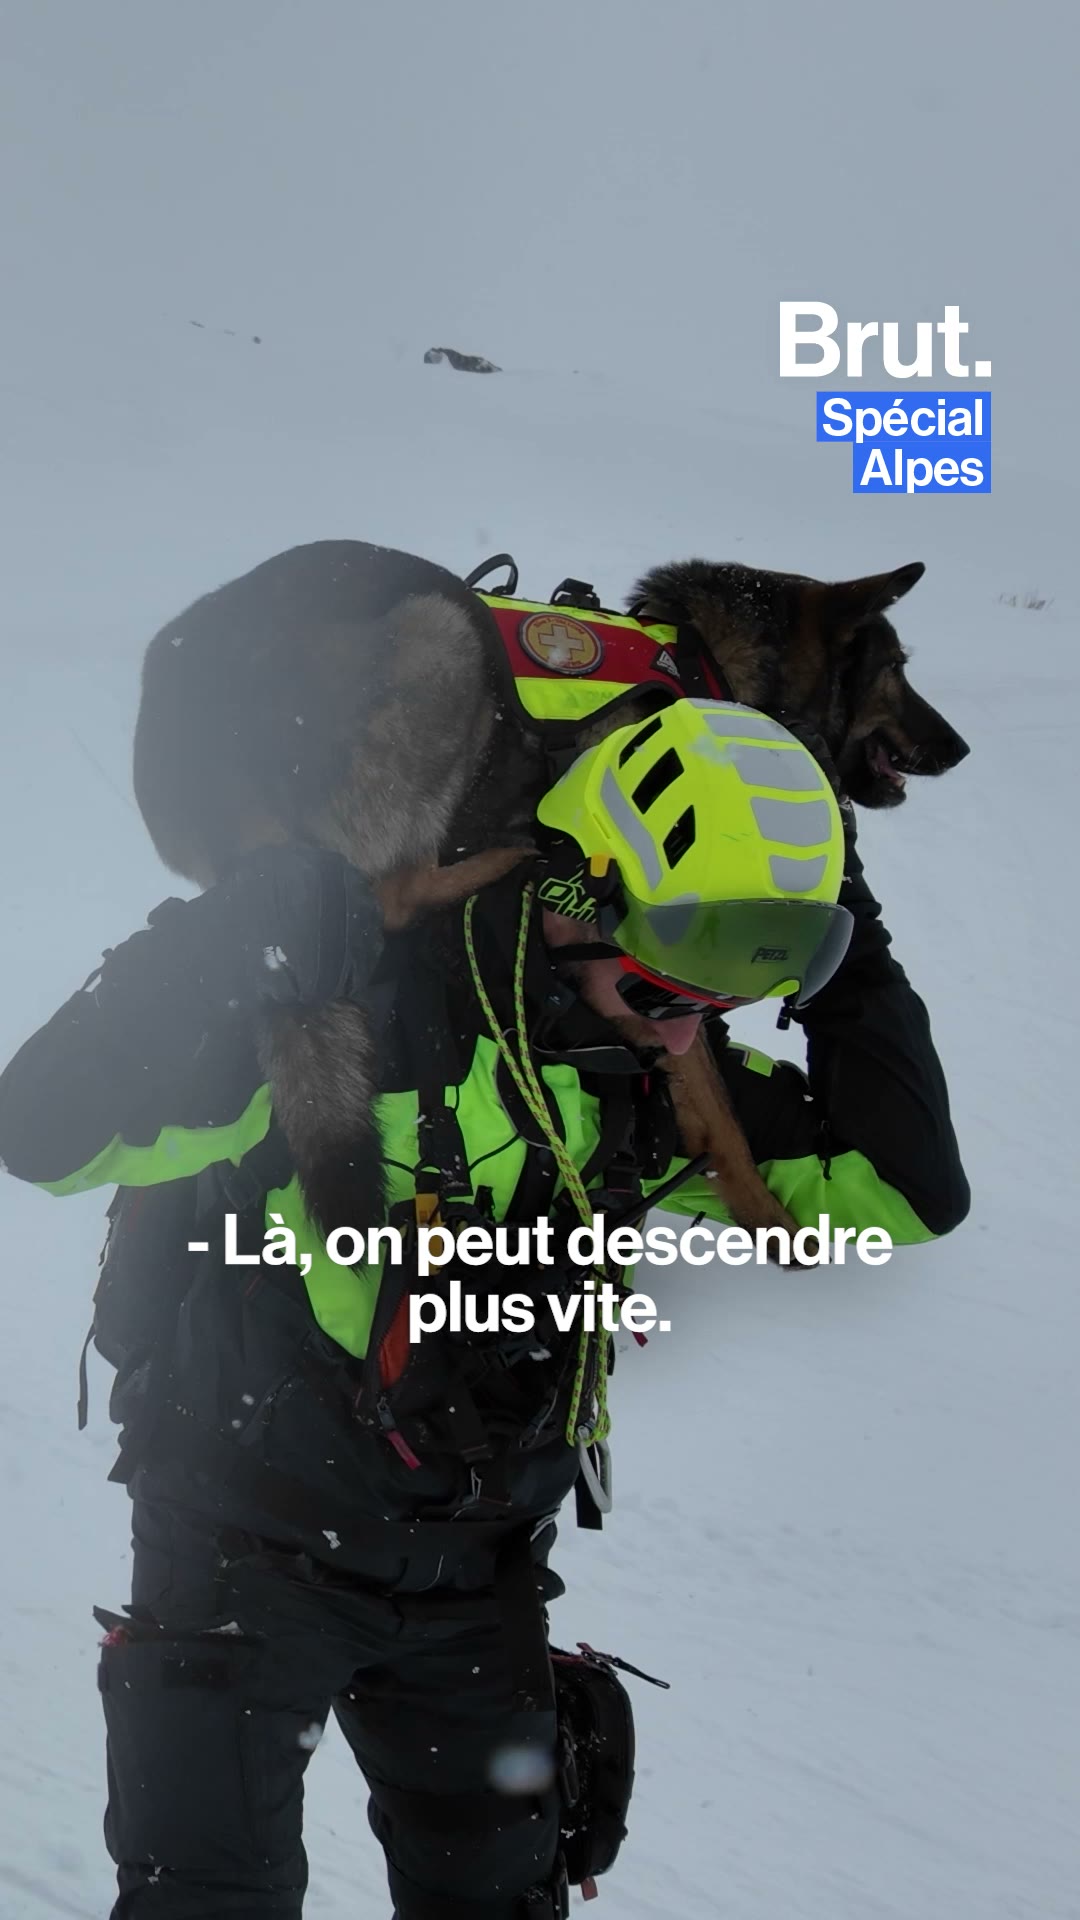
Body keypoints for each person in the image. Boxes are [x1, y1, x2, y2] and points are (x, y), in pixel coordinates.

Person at [0, 698, 968, 1920]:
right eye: (671, 977)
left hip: (478, 1567)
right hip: (244, 1550)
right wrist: (241, 924)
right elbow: (44, 1133)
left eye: (731, 995)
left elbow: (898, 1192)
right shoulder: (338, 1009)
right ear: (573, 893)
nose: (690, 1028)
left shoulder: (643, 1071)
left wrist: (851, 924)